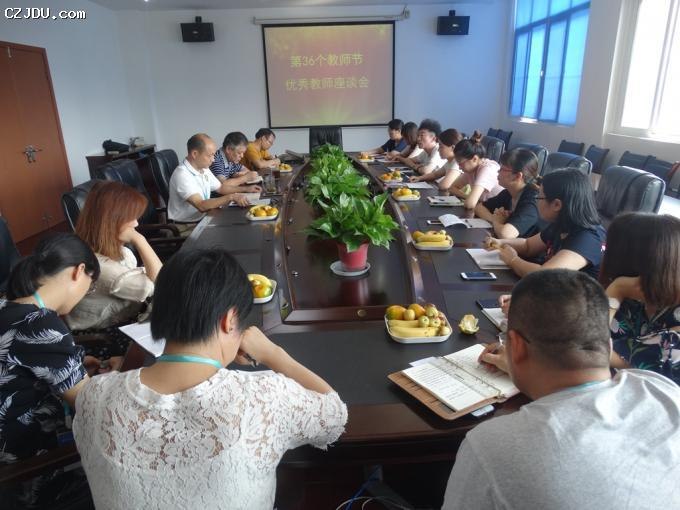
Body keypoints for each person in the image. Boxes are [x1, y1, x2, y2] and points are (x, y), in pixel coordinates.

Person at [73, 248, 348, 509]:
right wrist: (273, 354)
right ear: (230, 320)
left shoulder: (94, 397)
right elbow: (334, 415)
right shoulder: (263, 397)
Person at [443, 269, 680, 510]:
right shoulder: (662, 391)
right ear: (609, 345)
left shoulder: (490, 446)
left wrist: (519, 367)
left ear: (517, 346)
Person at [0, 234, 112, 508]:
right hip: (23, 473)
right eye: (90, 287)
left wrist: (73, 366)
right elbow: (90, 404)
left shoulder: (7, 305)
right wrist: (118, 376)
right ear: (78, 271)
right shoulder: (41, 324)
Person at [66, 182, 161, 354]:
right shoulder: (102, 267)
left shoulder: (115, 250)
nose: (136, 224)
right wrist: (140, 240)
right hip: (104, 335)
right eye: (130, 218)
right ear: (111, 221)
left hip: (125, 318)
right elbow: (160, 282)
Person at [600, 213, 680, 384]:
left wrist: (616, 289)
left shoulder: (623, 288)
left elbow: (588, 349)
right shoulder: (635, 296)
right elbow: (579, 337)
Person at [485, 169, 605, 278]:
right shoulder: (563, 224)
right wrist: (501, 242)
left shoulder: (588, 238)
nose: (536, 201)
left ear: (556, 205)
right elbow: (528, 245)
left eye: (539, 197)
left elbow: (546, 275)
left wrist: (513, 260)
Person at [167, 133, 250, 225]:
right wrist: (231, 197)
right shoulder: (182, 174)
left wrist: (247, 189)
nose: (213, 159)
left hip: (204, 217)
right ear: (195, 154)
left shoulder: (203, 168)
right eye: (210, 155)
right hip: (187, 225)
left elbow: (221, 188)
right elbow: (201, 205)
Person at [474, 148, 540, 238]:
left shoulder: (532, 200)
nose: (498, 171)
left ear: (517, 176)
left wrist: (497, 222)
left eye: (502, 169)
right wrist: (495, 220)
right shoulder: (509, 192)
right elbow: (479, 208)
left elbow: (506, 234)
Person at [448, 130, 503, 209]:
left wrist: (471, 199)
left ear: (474, 159)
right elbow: (452, 188)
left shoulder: (487, 169)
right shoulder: (471, 169)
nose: (459, 167)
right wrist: (468, 197)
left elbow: (470, 204)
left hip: (497, 211)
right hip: (483, 209)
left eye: (461, 163)